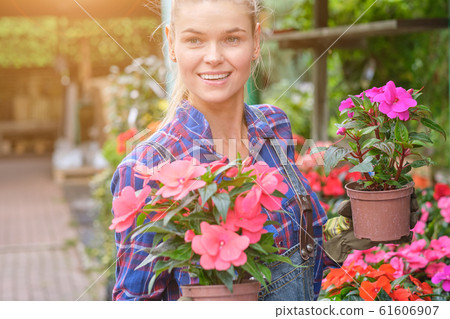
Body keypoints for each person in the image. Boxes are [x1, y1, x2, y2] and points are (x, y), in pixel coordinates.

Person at [110, 0, 416, 301]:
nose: (214, 57)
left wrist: (357, 227)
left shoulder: (273, 126)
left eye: (232, 38)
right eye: (195, 40)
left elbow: (308, 247)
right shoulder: (147, 167)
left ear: (256, 42)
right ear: (172, 44)